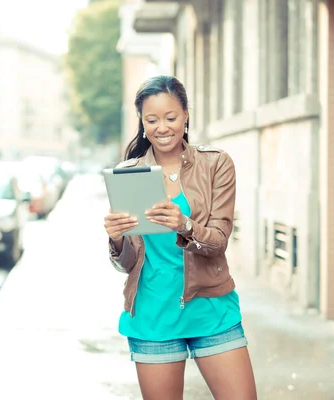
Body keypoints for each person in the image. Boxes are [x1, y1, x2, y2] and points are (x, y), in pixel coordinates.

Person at [103, 75, 257, 400]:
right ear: (142, 123)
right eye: (152, 119)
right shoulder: (128, 174)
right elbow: (128, 262)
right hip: (153, 313)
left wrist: (184, 224)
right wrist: (117, 241)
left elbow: (218, 241)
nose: (162, 127)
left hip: (211, 308)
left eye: (171, 117)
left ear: (186, 115)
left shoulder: (216, 165)